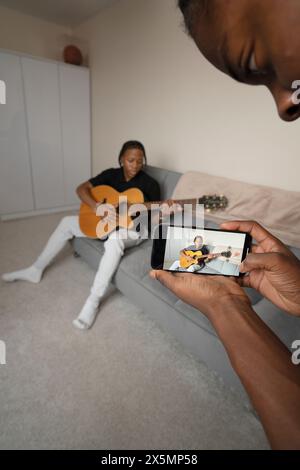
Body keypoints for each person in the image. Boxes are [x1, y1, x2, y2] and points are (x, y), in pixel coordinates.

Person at [151, 0, 300, 449]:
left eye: (256, 64)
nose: (283, 108)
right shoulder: (130, 185)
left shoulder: (203, 199)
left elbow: (211, 202)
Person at [2, 140, 161, 330]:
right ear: (121, 160)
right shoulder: (111, 175)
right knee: (66, 222)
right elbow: (81, 189)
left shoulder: (150, 184)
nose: (135, 165)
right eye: (130, 160)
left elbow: (150, 218)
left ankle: (93, 300)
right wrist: (98, 207)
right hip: (106, 222)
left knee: (115, 240)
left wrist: (158, 211)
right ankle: (35, 269)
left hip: (134, 228)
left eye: (140, 161)